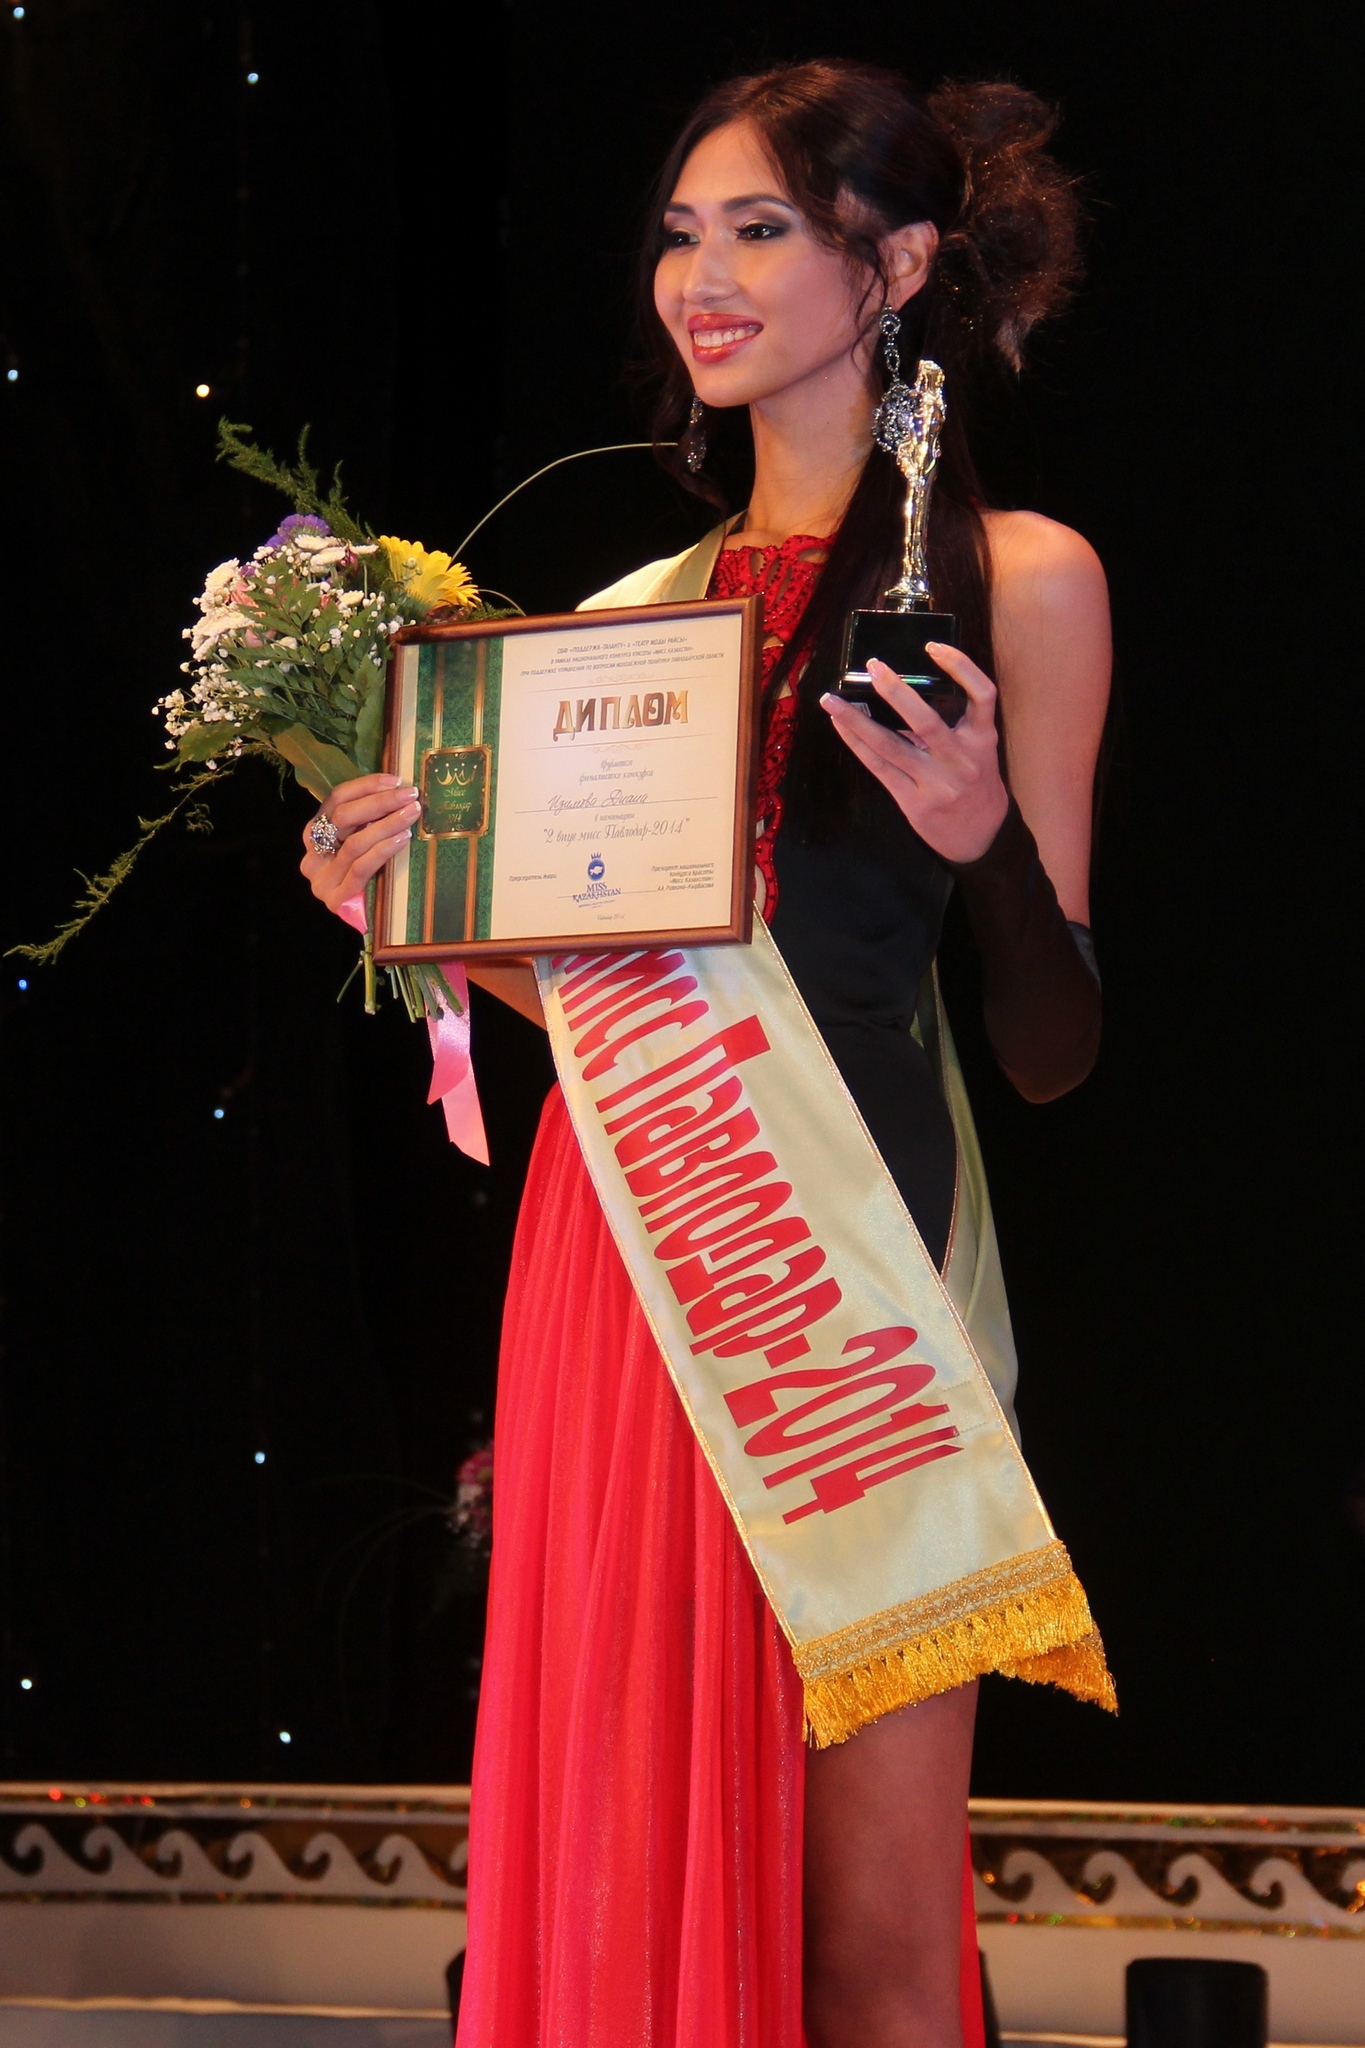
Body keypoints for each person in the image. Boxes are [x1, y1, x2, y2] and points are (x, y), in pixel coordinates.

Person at [302, 59, 1111, 2048]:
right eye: (681, 235)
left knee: (872, 1941)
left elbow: (1051, 1048)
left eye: (761, 230)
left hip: (850, 1291)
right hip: (625, 1258)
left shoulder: (1021, 578)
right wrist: (405, 909)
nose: (702, 279)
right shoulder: (625, 621)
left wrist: (980, 843)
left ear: (895, 266)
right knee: (626, 1857)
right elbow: (597, 1002)